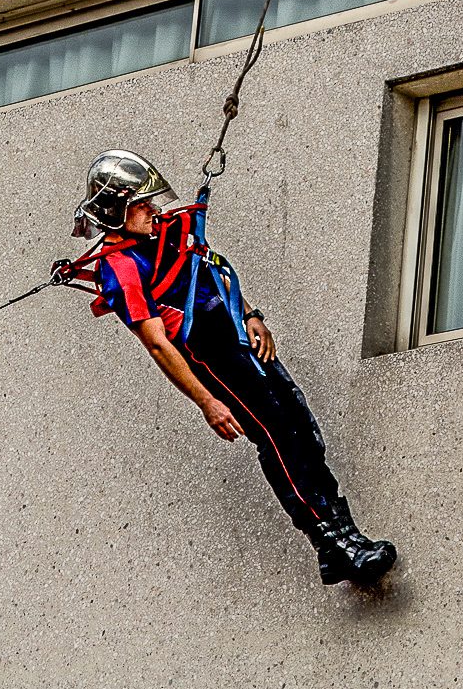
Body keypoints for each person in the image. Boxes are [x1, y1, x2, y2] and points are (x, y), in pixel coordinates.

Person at [56, 150, 398, 589]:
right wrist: (206, 402)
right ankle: (336, 540)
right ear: (115, 211)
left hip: (237, 336)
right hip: (210, 357)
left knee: (301, 423)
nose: (153, 208)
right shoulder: (119, 269)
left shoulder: (165, 232)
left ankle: (336, 545)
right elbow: (157, 343)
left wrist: (251, 314)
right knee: (278, 436)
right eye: (141, 204)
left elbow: (208, 268)